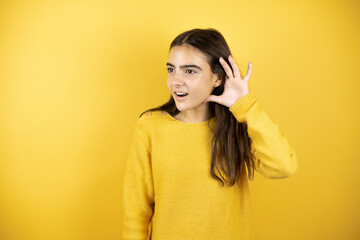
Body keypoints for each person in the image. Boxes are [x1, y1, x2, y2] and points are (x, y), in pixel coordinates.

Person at [122, 28, 298, 240]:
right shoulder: (150, 126)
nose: (176, 80)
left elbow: (283, 166)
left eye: (189, 71)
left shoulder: (238, 125)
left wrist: (247, 107)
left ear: (217, 78)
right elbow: (136, 210)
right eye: (171, 69)